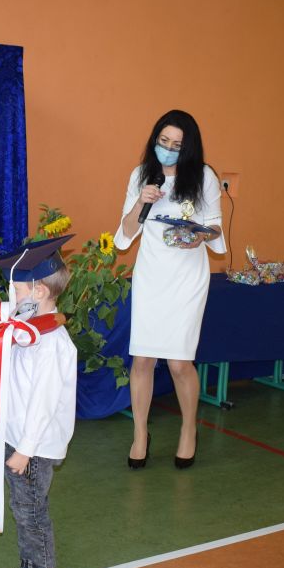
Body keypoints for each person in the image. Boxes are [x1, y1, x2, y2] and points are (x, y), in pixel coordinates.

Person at [113, 109, 225, 470]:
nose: (169, 149)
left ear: (188, 147)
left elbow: (216, 228)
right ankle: (140, 434)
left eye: (177, 144)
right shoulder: (140, 175)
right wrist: (141, 201)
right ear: (155, 140)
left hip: (188, 277)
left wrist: (200, 237)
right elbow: (125, 234)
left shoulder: (204, 176)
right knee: (143, 359)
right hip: (151, 275)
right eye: (164, 141)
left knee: (178, 362)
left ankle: (188, 429)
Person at [0, 236, 78, 568]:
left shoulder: (53, 344)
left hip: (34, 446)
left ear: (39, 291)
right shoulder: (28, 333)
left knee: (32, 512)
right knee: (21, 509)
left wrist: (24, 450)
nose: (12, 297)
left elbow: (43, 403)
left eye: (17, 290)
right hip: (18, 438)